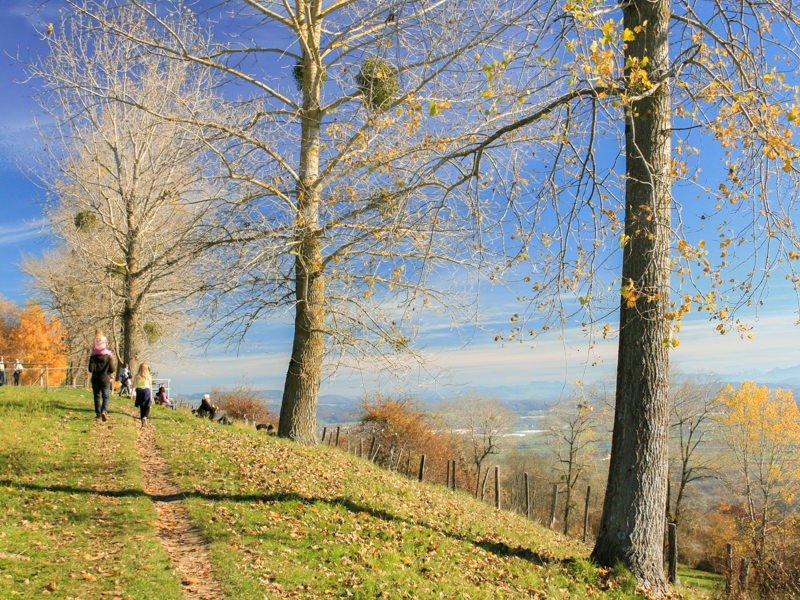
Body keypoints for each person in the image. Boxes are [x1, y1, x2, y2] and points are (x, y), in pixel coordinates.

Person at [88, 350, 115, 421]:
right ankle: (104, 410)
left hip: (95, 379)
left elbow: (90, 369)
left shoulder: (93, 357)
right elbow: (112, 369)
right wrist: (107, 372)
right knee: (106, 396)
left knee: (97, 396)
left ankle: (98, 414)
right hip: (105, 379)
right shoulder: (108, 357)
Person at [133, 363, 153, 427]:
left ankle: (142, 418)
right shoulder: (148, 376)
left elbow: (134, 385)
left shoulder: (137, 376)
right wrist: (151, 396)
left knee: (142, 405)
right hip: (146, 391)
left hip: (139, 391)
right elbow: (150, 386)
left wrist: (132, 393)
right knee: (147, 405)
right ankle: (145, 417)